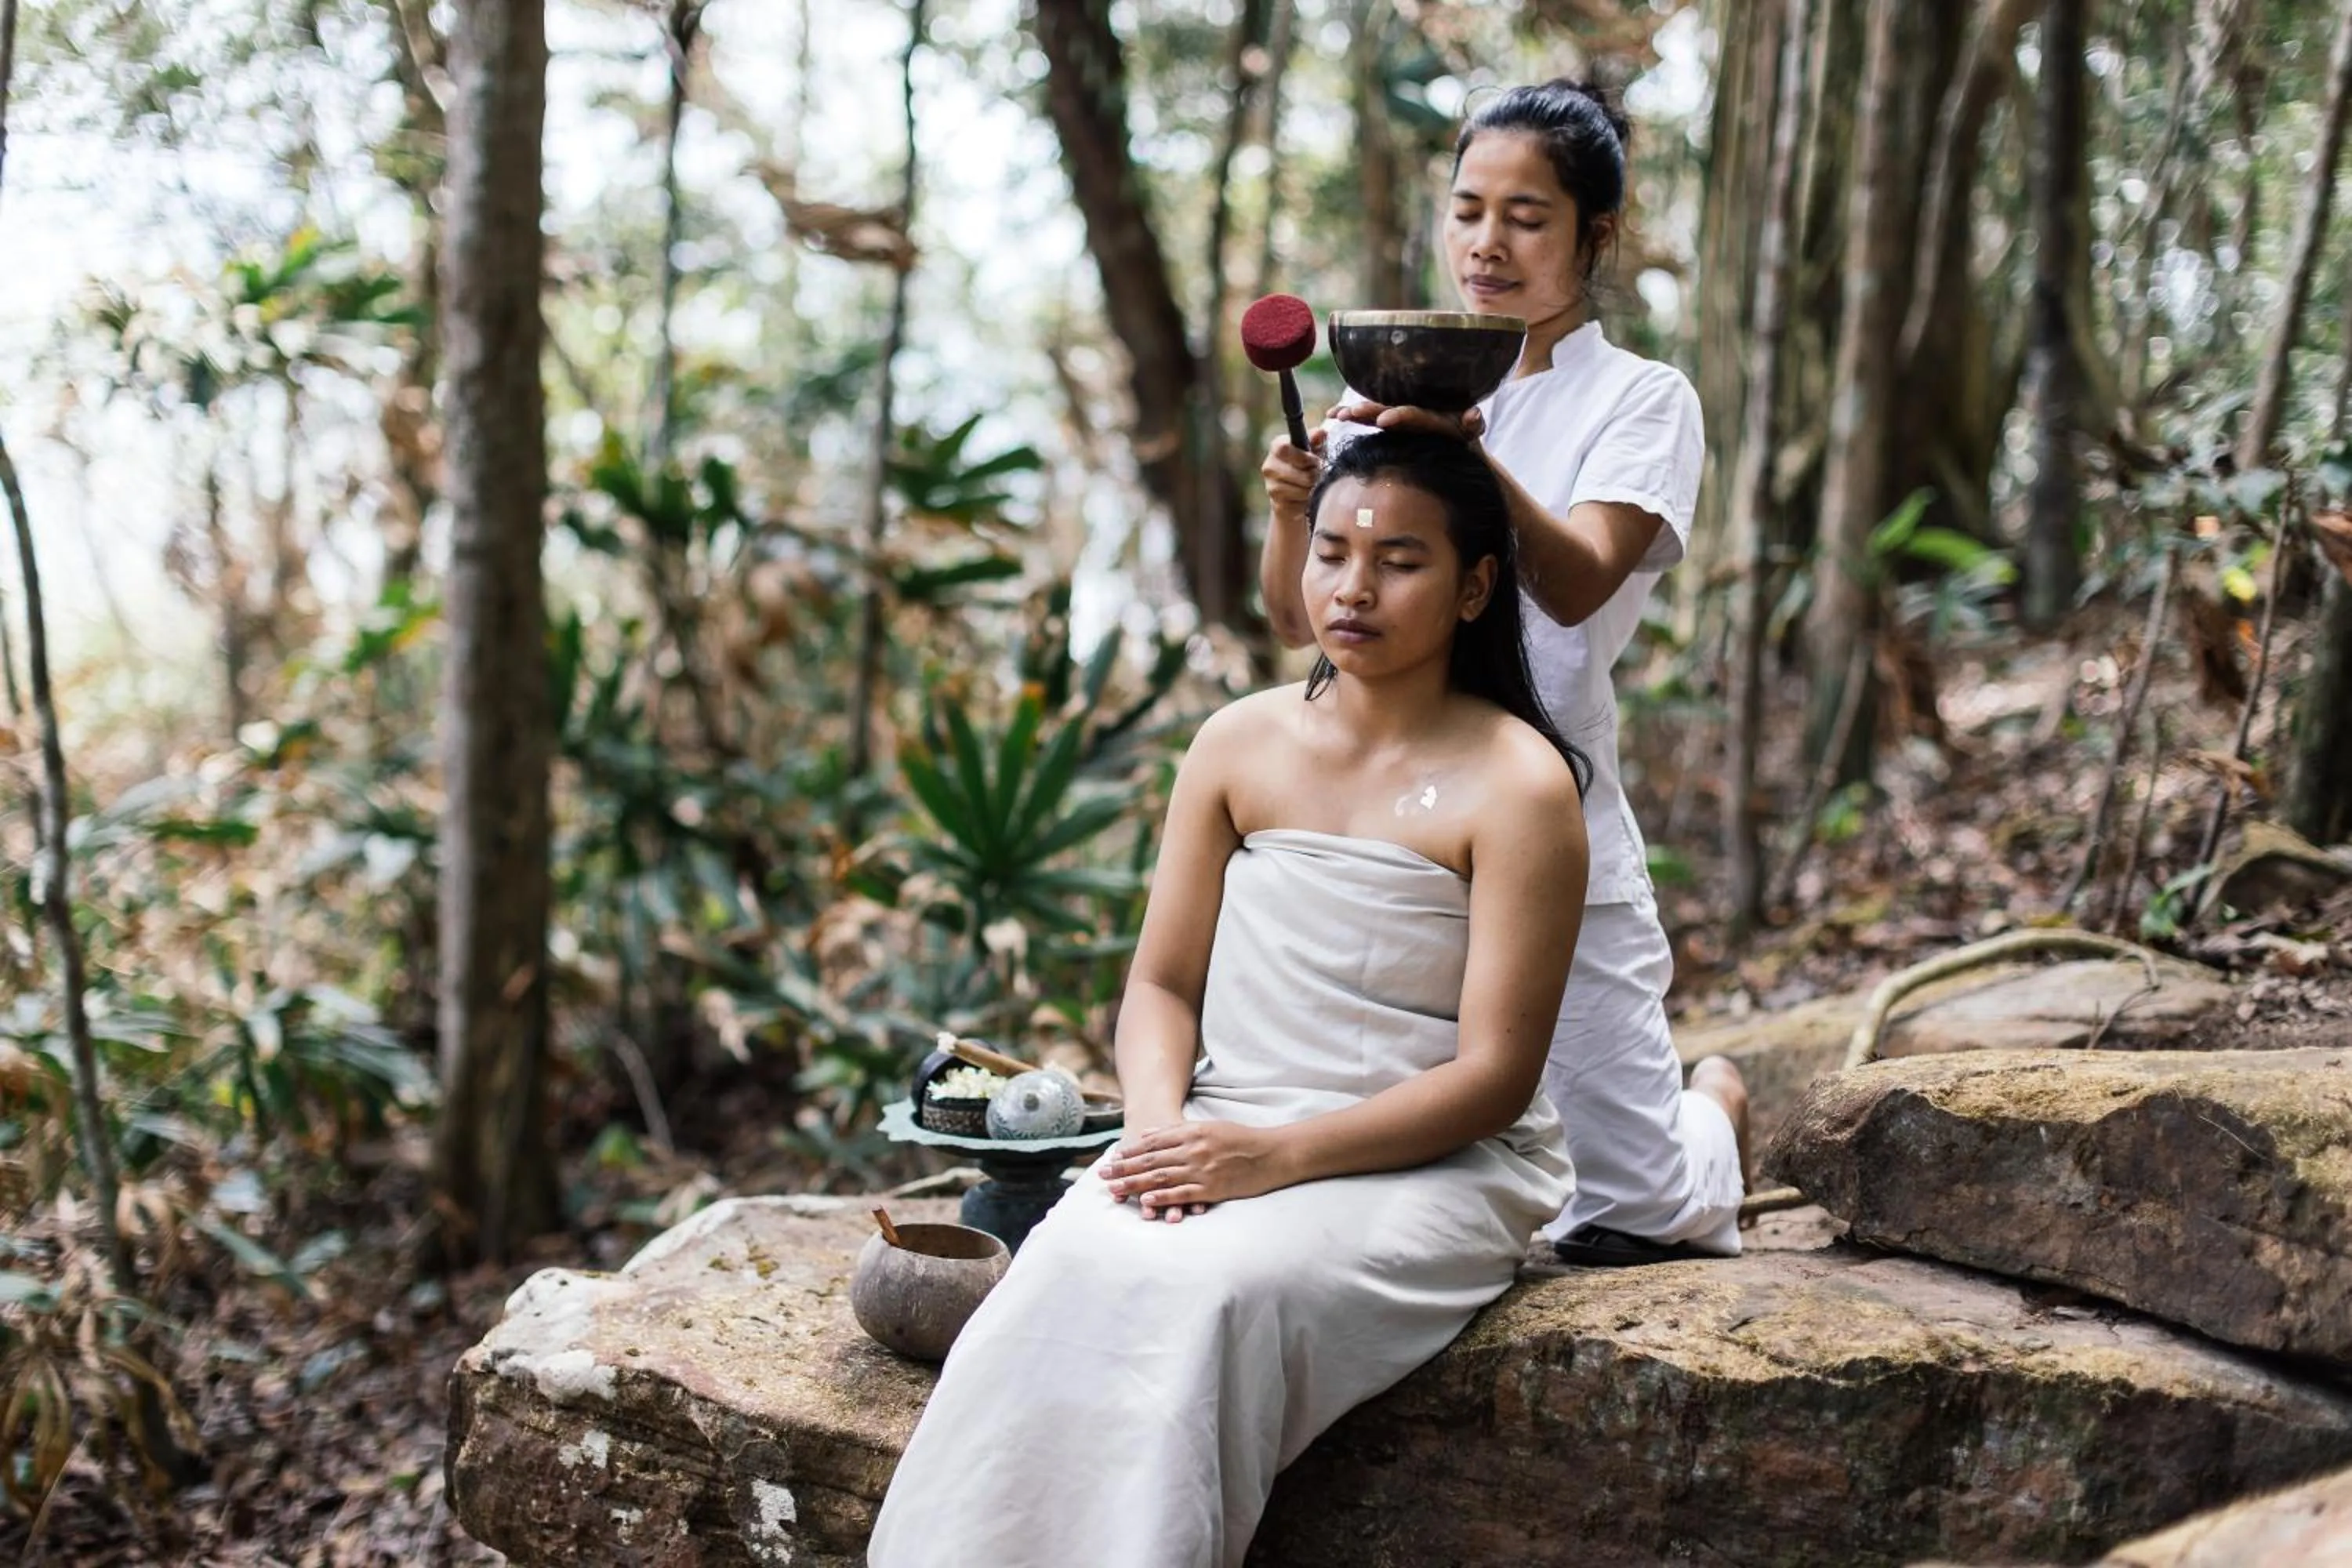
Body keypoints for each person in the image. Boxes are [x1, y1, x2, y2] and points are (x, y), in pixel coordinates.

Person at [867, 430, 1587, 1568]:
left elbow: (1496, 1079)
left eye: (1400, 561)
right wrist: (1161, 1135)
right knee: (1072, 1261)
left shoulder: (1521, 785)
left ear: (1474, 587)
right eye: (1332, 552)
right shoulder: (1237, 743)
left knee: (1214, 1293)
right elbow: (1160, 984)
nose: (1353, 588)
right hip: (1214, 1127)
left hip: (1430, 1161)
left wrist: (1271, 1158)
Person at [1260, 79, 1748, 1265]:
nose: (1488, 244)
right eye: (1469, 210)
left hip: (1547, 821)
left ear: (1595, 235)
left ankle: (1715, 1114)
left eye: (1527, 218)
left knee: (1632, 1214)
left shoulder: (1641, 399)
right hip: (1383, 824)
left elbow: (1578, 583)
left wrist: (1465, 457)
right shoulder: (1383, 394)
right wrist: (1291, 511)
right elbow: (1293, 625)